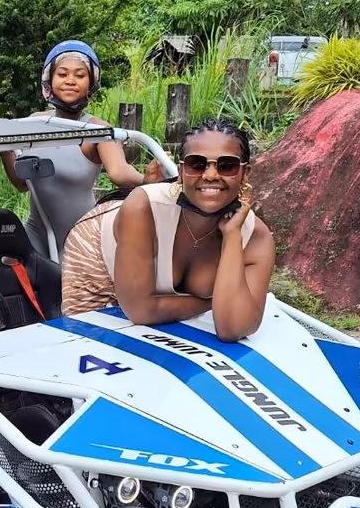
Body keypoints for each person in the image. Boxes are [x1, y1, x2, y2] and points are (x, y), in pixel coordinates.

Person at [61, 118, 275, 342]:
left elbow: (232, 329)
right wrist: (212, 302)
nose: (211, 175)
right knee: (88, 344)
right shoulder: (142, 207)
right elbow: (141, 311)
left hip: (154, 283)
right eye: (197, 164)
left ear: (245, 174)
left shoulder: (256, 238)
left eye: (227, 165)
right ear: (181, 171)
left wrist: (232, 236)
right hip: (97, 255)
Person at [0, 39, 162, 256]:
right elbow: (22, 184)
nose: (70, 81)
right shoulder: (33, 123)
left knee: (70, 289)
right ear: (49, 79)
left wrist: (145, 181)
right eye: (62, 74)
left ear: (91, 83)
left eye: (80, 75)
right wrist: (3, 148)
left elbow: (118, 171)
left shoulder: (96, 129)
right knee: (10, 273)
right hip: (36, 233)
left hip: (81, 235)